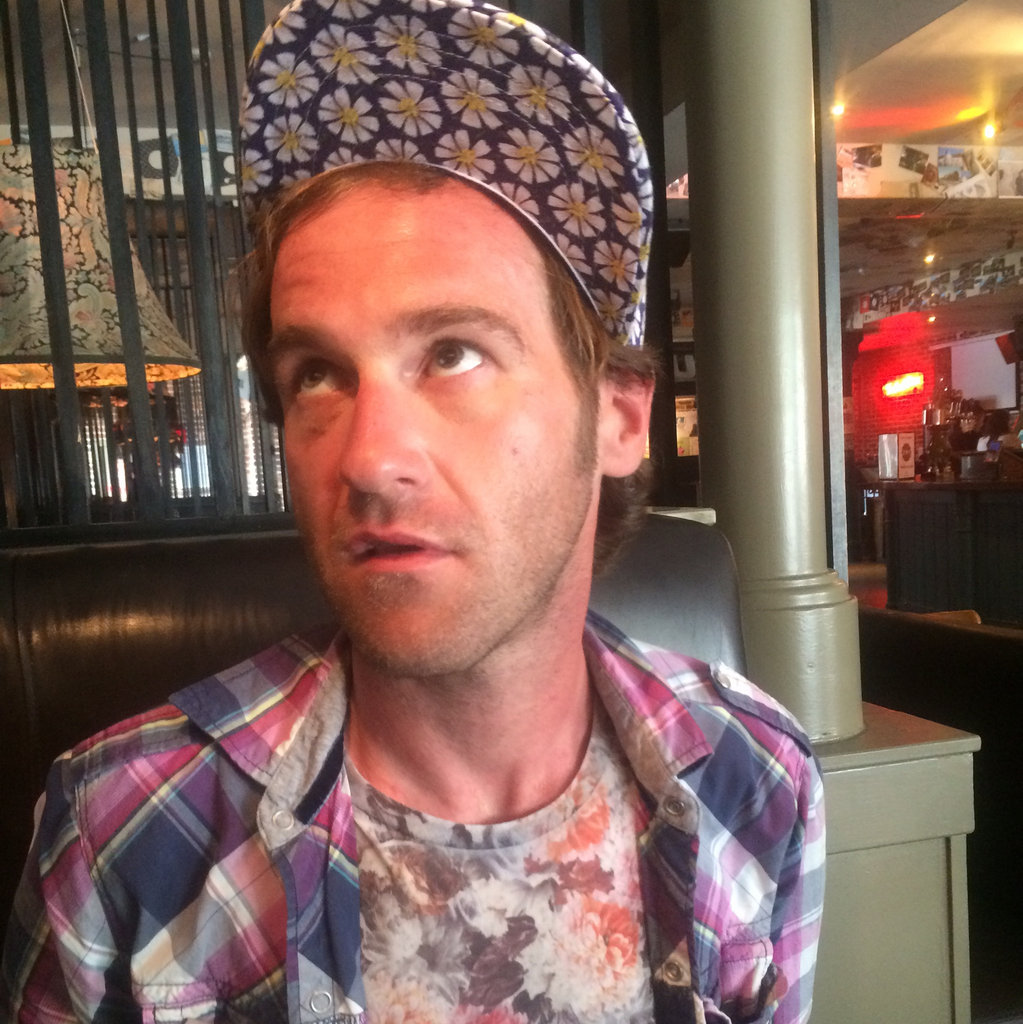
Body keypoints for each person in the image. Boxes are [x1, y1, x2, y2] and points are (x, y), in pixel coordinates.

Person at [2, 3, 825, 1022]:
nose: (369, 457)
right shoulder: (123, 832)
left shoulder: (758, 777)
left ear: (618, 417)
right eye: (317, 374)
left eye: (454, 353)